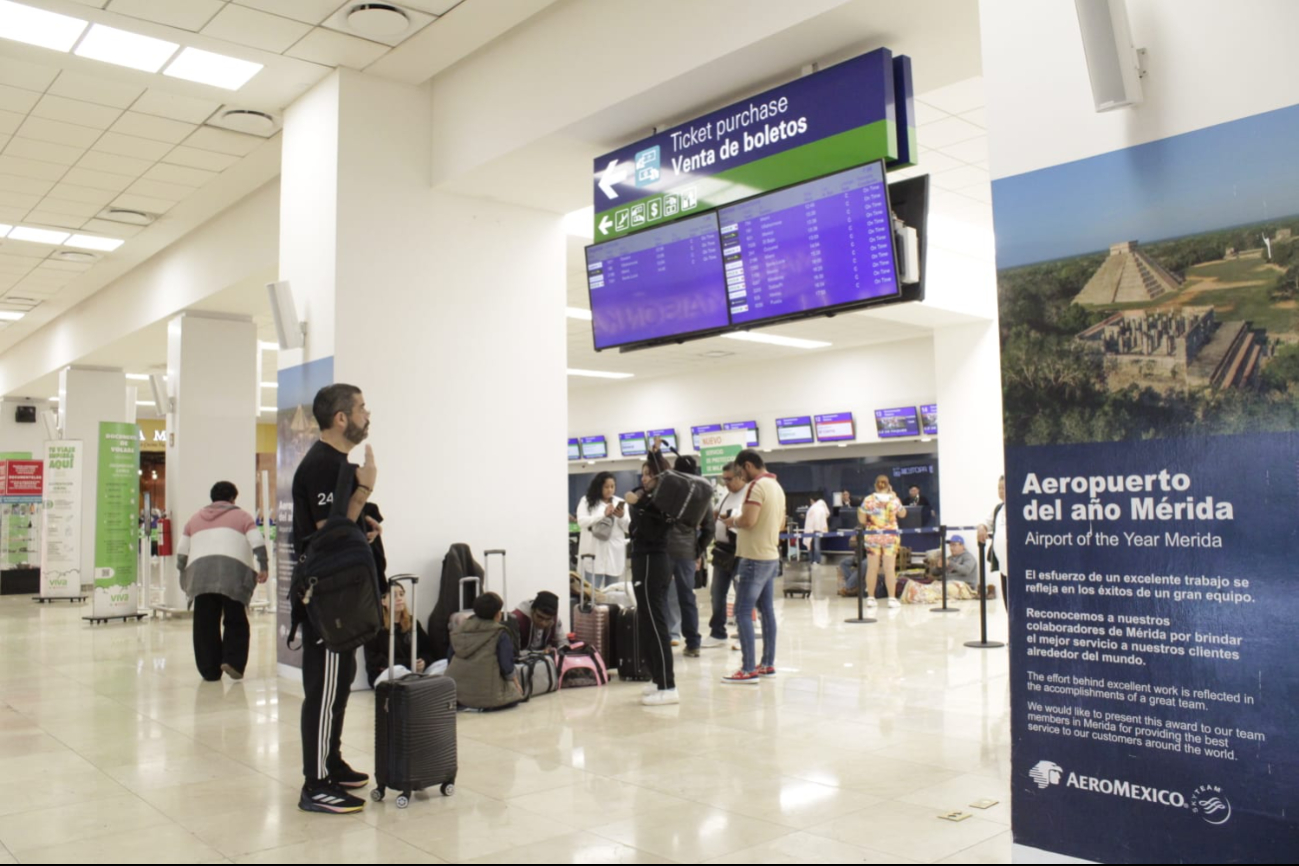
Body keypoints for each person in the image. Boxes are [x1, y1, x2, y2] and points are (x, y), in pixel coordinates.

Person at [291, 383, 382, 815]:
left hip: (340, 595)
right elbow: (328, 536)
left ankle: (332, 761)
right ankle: (316, 783)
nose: (368, 414)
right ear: (342, 418)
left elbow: (341, 529)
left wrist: (364, 522)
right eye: (362, 408)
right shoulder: (323, 465)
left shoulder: (335, 463)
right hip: (326, 600)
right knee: (325, 690)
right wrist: (363, 491)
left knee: (340, 683)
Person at [177, 481, 268, 683]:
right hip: (232, 576)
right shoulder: (242, 516)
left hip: (201, 577)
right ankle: (233, 661)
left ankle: (209, 670)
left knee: (204, 624)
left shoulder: (194, 518)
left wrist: (182, 572)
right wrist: (263, 567)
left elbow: (182, 550)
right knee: (235, 619)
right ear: (233, 498)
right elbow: (258, 543)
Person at [722, 449, 785, 685]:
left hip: (753, 557)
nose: (740, 477)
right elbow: (779, 523)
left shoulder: (756, 487)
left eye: (739, 472)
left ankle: (748, 668)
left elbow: (748, 520)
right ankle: (767, 663)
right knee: (766, 611)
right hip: (770, 555)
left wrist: (733, 521)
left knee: (742, 611)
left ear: (747, 466)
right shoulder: (776, 487)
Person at [623, 446, 677, 706]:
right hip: (644, 561)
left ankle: (668, 686)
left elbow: (655, 529)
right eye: (642, 474)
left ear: (659, 476)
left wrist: (640, 503)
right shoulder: (649, 499)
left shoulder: (660, 501)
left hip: (653, 562)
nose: (644, 478)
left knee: (656, 622)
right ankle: (657, 679)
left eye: (649, 474)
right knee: (647, 621)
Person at [664, 455, 714, 658]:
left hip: (664, 550)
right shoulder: (702, 496)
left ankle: (662, 637)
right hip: (686, 553)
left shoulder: (668, 492)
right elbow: (709, 528)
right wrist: (698, 549)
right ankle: (693, 643)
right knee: (687, 597)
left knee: (660, 596)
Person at [447, 592, 522, 711]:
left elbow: (450, 657)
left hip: (455, 693)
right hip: (487, 695)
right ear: (498, 614)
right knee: (515, 697)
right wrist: (515, 682)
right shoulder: (500, 633)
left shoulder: (459, 629)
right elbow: (506, 665)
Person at [704, 462, 746, 649]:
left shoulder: (748, 496)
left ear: (740, 477)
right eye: (724, 479)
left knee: (742, 594)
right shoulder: (726, 496)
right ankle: (718, 632)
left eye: (729, 479)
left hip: (740, 551)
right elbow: (717, 515)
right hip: (722, 551)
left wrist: (734, 522)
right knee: (717, 593)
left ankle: (744, 633)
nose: (726, 482)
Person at [363, 582, 434, 686]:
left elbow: (428, 650)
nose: (399, 598)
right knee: (398, 670)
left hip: (415, 672)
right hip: (386, 676)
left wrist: (423, 662)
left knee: (445, 664)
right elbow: (376, 661)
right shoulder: (374, 627)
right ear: (383, 601)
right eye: (393, 596)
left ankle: (419, 683)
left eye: (401, 594)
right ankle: (418, 683)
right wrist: (409, 664)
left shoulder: (412, 622)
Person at [574, 472, 630, 589]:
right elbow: (582, 521)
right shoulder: (586, 501)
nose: (610, 490)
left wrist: (621, 516)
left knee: (613, 593)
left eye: (612, 486)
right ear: (599, 487)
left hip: (614, 553)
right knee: (592, 593)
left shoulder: (619, 503)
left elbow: (628, 528)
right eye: (606, 487)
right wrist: (603, 515)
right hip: (594, 553)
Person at [858, 475, 907, 609]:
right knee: (889, 568)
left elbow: (862, 520)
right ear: (888, 485)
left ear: (875, 485)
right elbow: (903, 514)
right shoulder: (894, 500)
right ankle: (891, 599)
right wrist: (895, 496)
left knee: (872, 568)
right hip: (890, 536)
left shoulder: (868, 500)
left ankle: (871, 598)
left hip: (872, 536)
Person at [978, 476, 1008, 610]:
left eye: (1004, 487)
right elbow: (985, 522)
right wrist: (981, 528)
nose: (1001, 491)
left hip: (1019, 568)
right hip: (1003, 567)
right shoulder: (998, 509)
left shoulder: (1022, 507)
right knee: (1008, 603)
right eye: (999, 488)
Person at [803, 492, 830, 564]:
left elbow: (811, 519)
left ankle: (814, 560)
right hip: (819, 528)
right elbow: (827, 514)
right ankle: (816, 560)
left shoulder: (813, 508)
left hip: (812, 529)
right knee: (816, 545)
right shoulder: (822, 507)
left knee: (813, 545)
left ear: (812, 500)